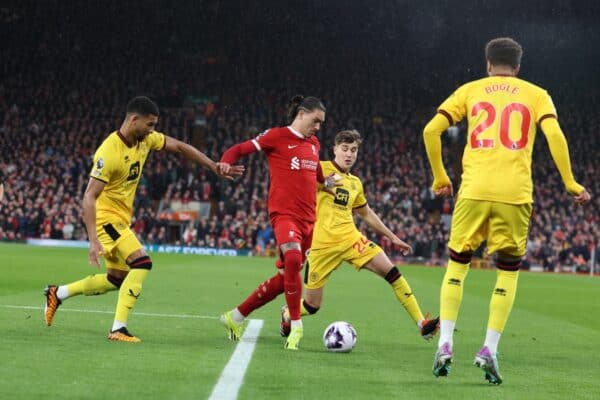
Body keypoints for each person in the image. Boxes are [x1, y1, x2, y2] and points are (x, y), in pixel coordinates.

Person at [423, 37, 591, 383]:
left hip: (473, 190)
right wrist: (571, 182)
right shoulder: (536, 93)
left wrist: (440, 176)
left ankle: (445, 342)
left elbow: (431, 130)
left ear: (488, 64)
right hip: (515, 193)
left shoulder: (470, 89)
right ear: (518, 67)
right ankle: (488, 348)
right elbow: (555, 135)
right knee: (508, 271)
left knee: (457, 265)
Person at [44, 96, 243, 342]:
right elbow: (88, 197)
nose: (152, 130)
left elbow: (179, 147)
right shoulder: (109, 151)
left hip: (121, 219)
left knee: (115, 279)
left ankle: (58, 293)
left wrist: (213, 166)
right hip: (106, 219)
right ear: (134, 120)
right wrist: (93, 240)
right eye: (149, 124)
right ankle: (118, 329)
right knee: (142, 263)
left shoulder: (146, 140)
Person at [280, 129, 439, 340]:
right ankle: (287, 313)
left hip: (351, 239)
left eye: (353, 150)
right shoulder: (320, 169)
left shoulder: (355, 183)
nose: (349, 154)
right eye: (344, 149)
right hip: (321, 246)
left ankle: (422, 322)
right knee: (312, 305)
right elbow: (298, 181)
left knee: (391, 272)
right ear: (334, 149)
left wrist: (392, 237)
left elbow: (366, 213)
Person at [217, 95, 336, 350]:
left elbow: (315, 172)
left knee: (286, 278)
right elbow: (239, 149)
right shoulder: (277, 136)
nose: (318, 127)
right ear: (302, 113)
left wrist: (326, 183)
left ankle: (234, 317)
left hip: (309, 221)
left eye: (321, 123)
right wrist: (226, 161)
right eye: (316, 121)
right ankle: (296, 325)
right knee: (292, 260)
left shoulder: (314, 144)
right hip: (284, 214)